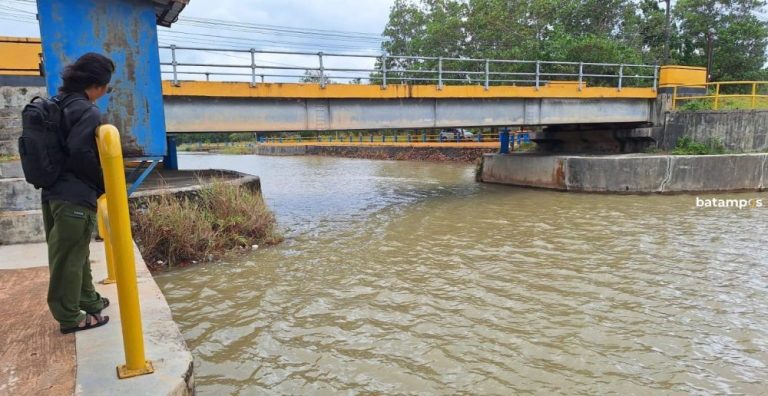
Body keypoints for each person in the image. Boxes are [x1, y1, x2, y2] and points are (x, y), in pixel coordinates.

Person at [42, 53, 115, 334]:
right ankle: (70, 317)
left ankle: (88, 299)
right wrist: (103, 183)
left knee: (75, 252)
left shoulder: (57, 104)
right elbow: (80, 152)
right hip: (75, 197)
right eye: (107, 85)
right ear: (97, 85)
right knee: (69, 260)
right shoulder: (88, 111)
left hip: (52, 194)